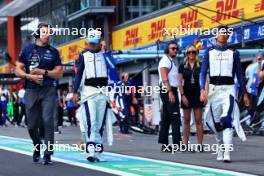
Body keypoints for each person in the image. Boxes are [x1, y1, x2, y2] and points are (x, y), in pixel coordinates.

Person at [200, 25, 250, 163]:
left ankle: (227, 152)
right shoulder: (208, 52)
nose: (223, 35)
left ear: (228, 36)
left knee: (227, 119)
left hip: (229, 89)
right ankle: (220, 145)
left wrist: (244, 93)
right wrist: (202, 90)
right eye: (221, 32)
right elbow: (203, 72)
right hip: (213, 90)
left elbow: (240, 75)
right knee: (213, 123)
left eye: (226, 33)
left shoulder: (234, 53)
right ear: (216, 35)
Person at [16, 23, 63, 165]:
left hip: (48, 90)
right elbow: (18, 70)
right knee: (31, 125)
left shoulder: (54, 52)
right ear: (38, 33)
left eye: (49, 32)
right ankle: (37, 147)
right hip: (31, 89)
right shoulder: (27, 50)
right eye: (44, 32)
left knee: (48, 121)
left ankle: (48, 154)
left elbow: (59, 72)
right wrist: (30, 76)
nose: (47, 34)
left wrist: (43, 72)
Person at [73, 29, 114, 162]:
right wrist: (74, 92)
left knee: (100, 123)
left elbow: (113, 68)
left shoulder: (106, 55)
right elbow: (78, 74)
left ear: (100, 41)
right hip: (89, 92)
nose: (91, 45)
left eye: (94, 43)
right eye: (90, 43)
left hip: (103, 92)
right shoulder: (83, 56)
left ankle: (98, 151)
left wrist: (105, 52)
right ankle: (90, 150)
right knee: (92, 121)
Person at [178, 45, 204, 151]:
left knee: (198, 120)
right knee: (186, 120)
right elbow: (179, 82)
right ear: (186, 54)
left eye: (193, 52)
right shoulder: (182, 65)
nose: (191, 54)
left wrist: (204, 93)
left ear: (196, 53)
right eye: (189, 52)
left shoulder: (201, 65)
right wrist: (182, 95)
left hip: (197, 94)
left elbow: (205, 79)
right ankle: (185, 144)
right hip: (186, 94)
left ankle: (200, 145)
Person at [158, 41, 182, 152]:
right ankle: (177, 144)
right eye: (173, 48)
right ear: (167, 49)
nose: (175, 50)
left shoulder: (170, 60)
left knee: (167, 117)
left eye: (176, 48)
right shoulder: (165, 60)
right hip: (168, 89)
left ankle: (164, 144)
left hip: (167, 89)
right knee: (175, 117)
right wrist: (170, 91)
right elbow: (164, 76)